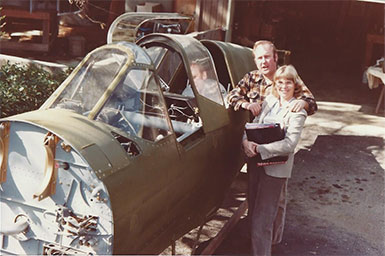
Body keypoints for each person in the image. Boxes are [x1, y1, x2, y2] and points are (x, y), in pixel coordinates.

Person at [242, 65, 307, 256]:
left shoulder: (297, 110)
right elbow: (252, 125)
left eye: (288, 82)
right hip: (256, 163)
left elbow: (289, 144)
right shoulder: (269, 101)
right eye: (279, 82)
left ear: (295, 85)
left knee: (261, 220)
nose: (283, 86)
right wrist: (246, 142)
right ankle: (267, 245)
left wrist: (259, 149)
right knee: (254, 209)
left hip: (276, 169)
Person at [227, 40, 317, 116]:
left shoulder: (288, 76)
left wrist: (303, 103)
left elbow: (312, 104)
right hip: (256, 128)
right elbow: (231, 96)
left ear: (275, 57)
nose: (263, 62)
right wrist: (246, 104)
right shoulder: (251, 78)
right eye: (259, 58)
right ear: (255, 61)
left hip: (283, 131)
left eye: (267, 57)